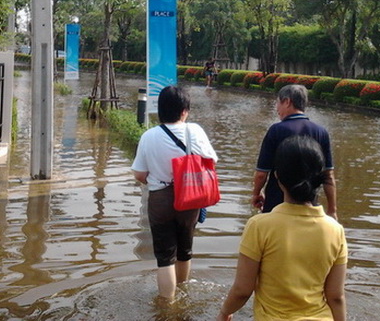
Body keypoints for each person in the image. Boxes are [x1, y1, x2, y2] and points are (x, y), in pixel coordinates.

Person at [217, 135, 347, 320]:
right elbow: (336, 297)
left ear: (277, 176)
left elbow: (242, 290)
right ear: (319, 178)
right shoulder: (335, 230)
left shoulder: (260, 226)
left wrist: (224, 312)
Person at [131, 85, 218, 300]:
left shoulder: (148, 136)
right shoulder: (195, 131)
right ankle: (184, 294)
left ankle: (167, 305)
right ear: (184, 110)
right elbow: (212, 162)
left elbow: (139, 174)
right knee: (185, 250)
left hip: (160, 198)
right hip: (190, 197)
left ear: (160, 110)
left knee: (164, 257)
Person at [251, 84, 337, 219]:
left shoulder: (276, 131)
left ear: (287, 102)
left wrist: (256, 193)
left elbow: (262, 173)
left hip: (277, 203)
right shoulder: (321, 132)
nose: (276, 108)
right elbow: (328, 175)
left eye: (278, 102)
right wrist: (332, 210)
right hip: (310, 205)